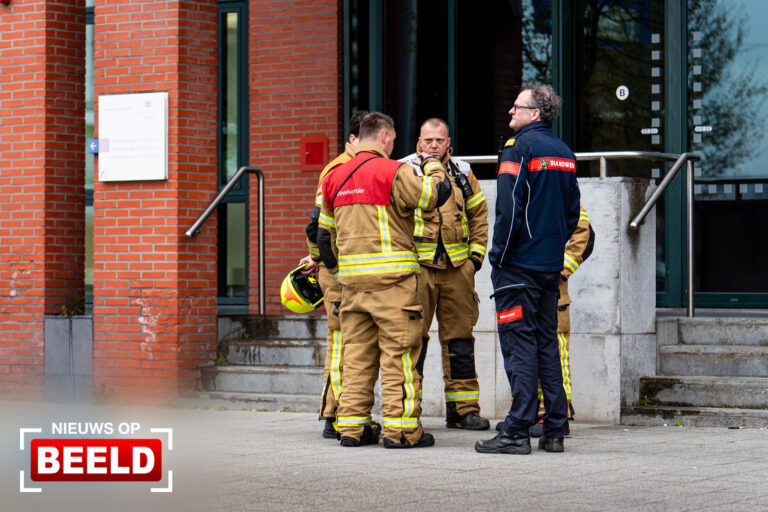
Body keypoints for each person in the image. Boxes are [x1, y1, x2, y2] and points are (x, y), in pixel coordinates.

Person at [317, 112, 453, 448]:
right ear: (386, 137)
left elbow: (323, 237)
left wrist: (338, 274)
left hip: (351, 287)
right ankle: (402, 431)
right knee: (399, 356)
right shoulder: (394, 171)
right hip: (393, 285)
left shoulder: (333, 176)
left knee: (357, 357)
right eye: (392, 140)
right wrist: (434, 165)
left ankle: (352, 428)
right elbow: (434, 197)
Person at [475, 83, 580, 455]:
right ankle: (554, 429)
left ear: (535, 113)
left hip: (517, 267)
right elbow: (572, 215)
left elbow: (508, 208)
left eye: (516, 107)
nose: (510, 113)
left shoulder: (518, 149)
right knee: (546, 344)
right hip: (549, 266)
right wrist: (550, 246)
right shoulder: (565, 152)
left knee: (519, 345)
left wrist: (498, 255)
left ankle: (516, 430)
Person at [399, 118, 490, 430]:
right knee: (413, 341)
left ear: (449, 143)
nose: (433, 146)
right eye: (428, 140)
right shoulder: (403, 169)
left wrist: (474, 258)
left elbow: (479, 214)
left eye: (439, 141)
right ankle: (409, 411)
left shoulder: (463, 172)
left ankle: (464, 410)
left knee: (461, 341)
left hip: (457, 269)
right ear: (418, 143)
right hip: (417, 270)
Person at [495, 205, 594, 437]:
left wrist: (559, 271)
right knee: (526, 351)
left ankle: (557, 412)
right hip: (529, 285)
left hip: (552, 289)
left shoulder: (556, 187)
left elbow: (585, 235)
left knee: (553, 352)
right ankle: (531, 413)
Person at [301, 110, 368, 439]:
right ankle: (336, 414)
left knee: (347, 341)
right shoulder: (340, 168)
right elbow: (317, 225)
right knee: (344, 342)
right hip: (340, 271)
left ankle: (339, 413)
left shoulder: (353, 165)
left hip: (347, 267)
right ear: (353, 139)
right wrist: (323, 260)